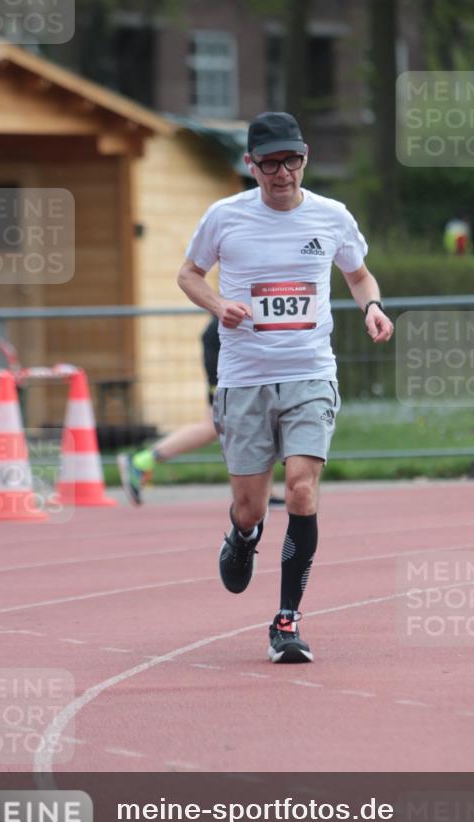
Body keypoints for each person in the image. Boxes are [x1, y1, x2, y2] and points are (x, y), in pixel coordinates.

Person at [177, 112, 394, 663]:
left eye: (290, 160)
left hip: (310, 372)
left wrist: (371, 306)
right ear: (250, 166)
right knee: (250, 507)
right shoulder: (224, 217)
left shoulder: (332, 216)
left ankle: (286, 620)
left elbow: (358, 273)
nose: (282, 173)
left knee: (301, 488)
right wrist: (219, 304)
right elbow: (188, 275)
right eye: (269, 163)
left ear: (305, 158)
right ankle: (241, 535)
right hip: (245, 377)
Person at [118, 317, 286, 507]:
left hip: (236, 340)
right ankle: (141, 461)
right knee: (221, 424)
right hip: (229, 342)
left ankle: (142, 460)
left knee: (232, 423)